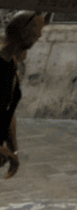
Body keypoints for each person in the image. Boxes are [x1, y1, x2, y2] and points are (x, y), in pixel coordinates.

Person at [0, 11, 47, 180]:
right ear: (25, 33)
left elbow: (7, 112)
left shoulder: (10, 64)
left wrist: (13, 149)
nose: (40, 36)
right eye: (38, 31)